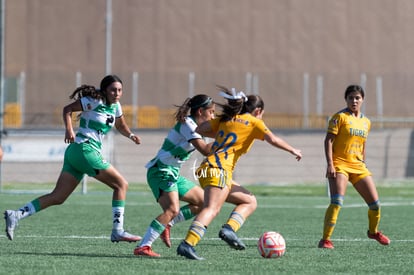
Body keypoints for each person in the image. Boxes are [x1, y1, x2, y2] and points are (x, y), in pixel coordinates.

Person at [4, 74, 142, 243]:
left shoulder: (115, 106)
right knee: (121, 184)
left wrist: (131, 135)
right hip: (84, 149)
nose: (117, 93)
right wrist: (69, 130)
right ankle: (118, 231)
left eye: (120, 90)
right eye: (113, 90)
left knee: (58, 197)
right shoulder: (94, 100)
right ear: (105, 90)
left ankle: (16, 214)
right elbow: (67, 109)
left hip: (77, 153)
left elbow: (120, 125)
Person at [176, 85, 302, 260]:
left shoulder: (226, 119)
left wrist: (223, 133)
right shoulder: (254, 122)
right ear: (258, 111)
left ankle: (229, 229)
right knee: (212, 208)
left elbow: (200, 129)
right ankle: (187, 244)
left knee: (249, 200)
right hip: (217, 169)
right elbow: (272, 139)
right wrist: (292, 150)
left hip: (209, 170)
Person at [133, 94, 215, 257]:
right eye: (211, 112)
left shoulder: (196, 126)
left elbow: (217, 134)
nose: (213, 116)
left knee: (203, 202)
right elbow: (205, 149)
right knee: (172, 209)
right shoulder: (188, 125)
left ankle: (167, 224)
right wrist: (228, 138)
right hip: (160, 171)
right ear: (200, 111)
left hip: (172, 173)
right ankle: (143, 246)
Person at [318, 84, 390, 249]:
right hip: (340, 164)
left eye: (357, 97)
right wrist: (330, 164)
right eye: (350, 97)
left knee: (375, 205)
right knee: (337, 202)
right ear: (346, 99)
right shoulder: (339, 117)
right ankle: (325, 240)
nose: (354, 101)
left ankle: (373, 232)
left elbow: (363, 143)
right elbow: (328, 140)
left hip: (358, 166)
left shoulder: (366, 122)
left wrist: (363, 160)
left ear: (362, 99)